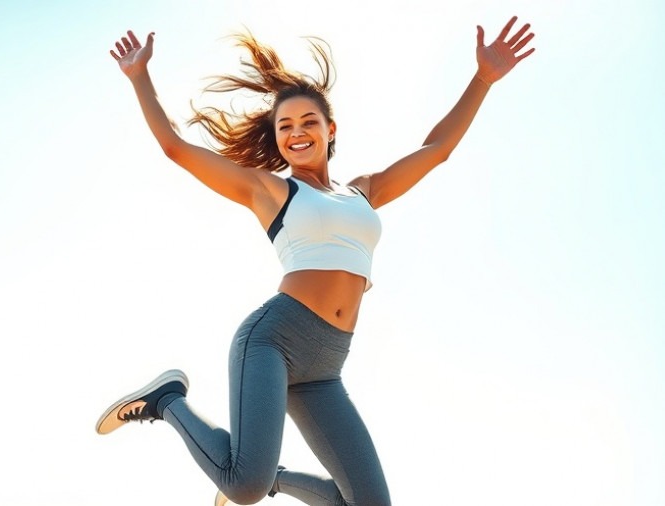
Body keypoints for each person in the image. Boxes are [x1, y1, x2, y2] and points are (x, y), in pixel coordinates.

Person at [96, 16, 535, 506]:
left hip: (327, 364)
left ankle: (275, 477)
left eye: (309, 122)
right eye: (285, 126)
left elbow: (437, 150)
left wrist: (482, 79)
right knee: (244, 486)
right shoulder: (270, 190)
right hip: (274, 339)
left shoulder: (363, 192)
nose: (297, 133)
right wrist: (140, 78)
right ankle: (167, 401)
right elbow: (176, 148)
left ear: (330, 129)